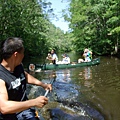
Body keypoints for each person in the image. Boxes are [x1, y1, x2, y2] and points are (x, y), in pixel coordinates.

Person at [0, 37, 52, 120]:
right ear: (15, 55)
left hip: (25, 111)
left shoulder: (18, 66)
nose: (23, 56)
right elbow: (4, 107)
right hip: (9, 116)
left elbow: (25, 75)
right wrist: (34, 102)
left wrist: (43, 84)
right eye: (23, 53)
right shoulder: (1, 77)